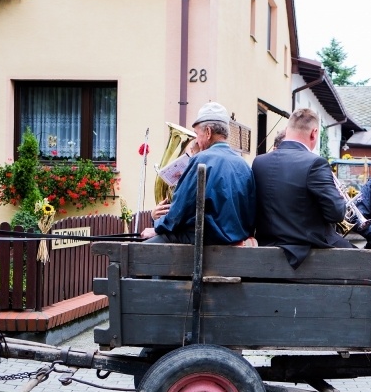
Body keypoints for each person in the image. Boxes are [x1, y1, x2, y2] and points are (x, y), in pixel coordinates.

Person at [141, 102, 256, 245]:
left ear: (208, 132)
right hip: (236, 240)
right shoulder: (244, 165)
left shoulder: (201, 160)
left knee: (138, 253)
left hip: (205, 240)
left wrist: (157, 226)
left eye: (197, 134)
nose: (196, 140)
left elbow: (179, 210)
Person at [252, 107, 353, 268]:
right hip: (303, 255)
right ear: (314, 133)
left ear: (287, 130)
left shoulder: (259, 162)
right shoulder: (315, 163)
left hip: (264, 249)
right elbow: (336, 213)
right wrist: (337, 194)